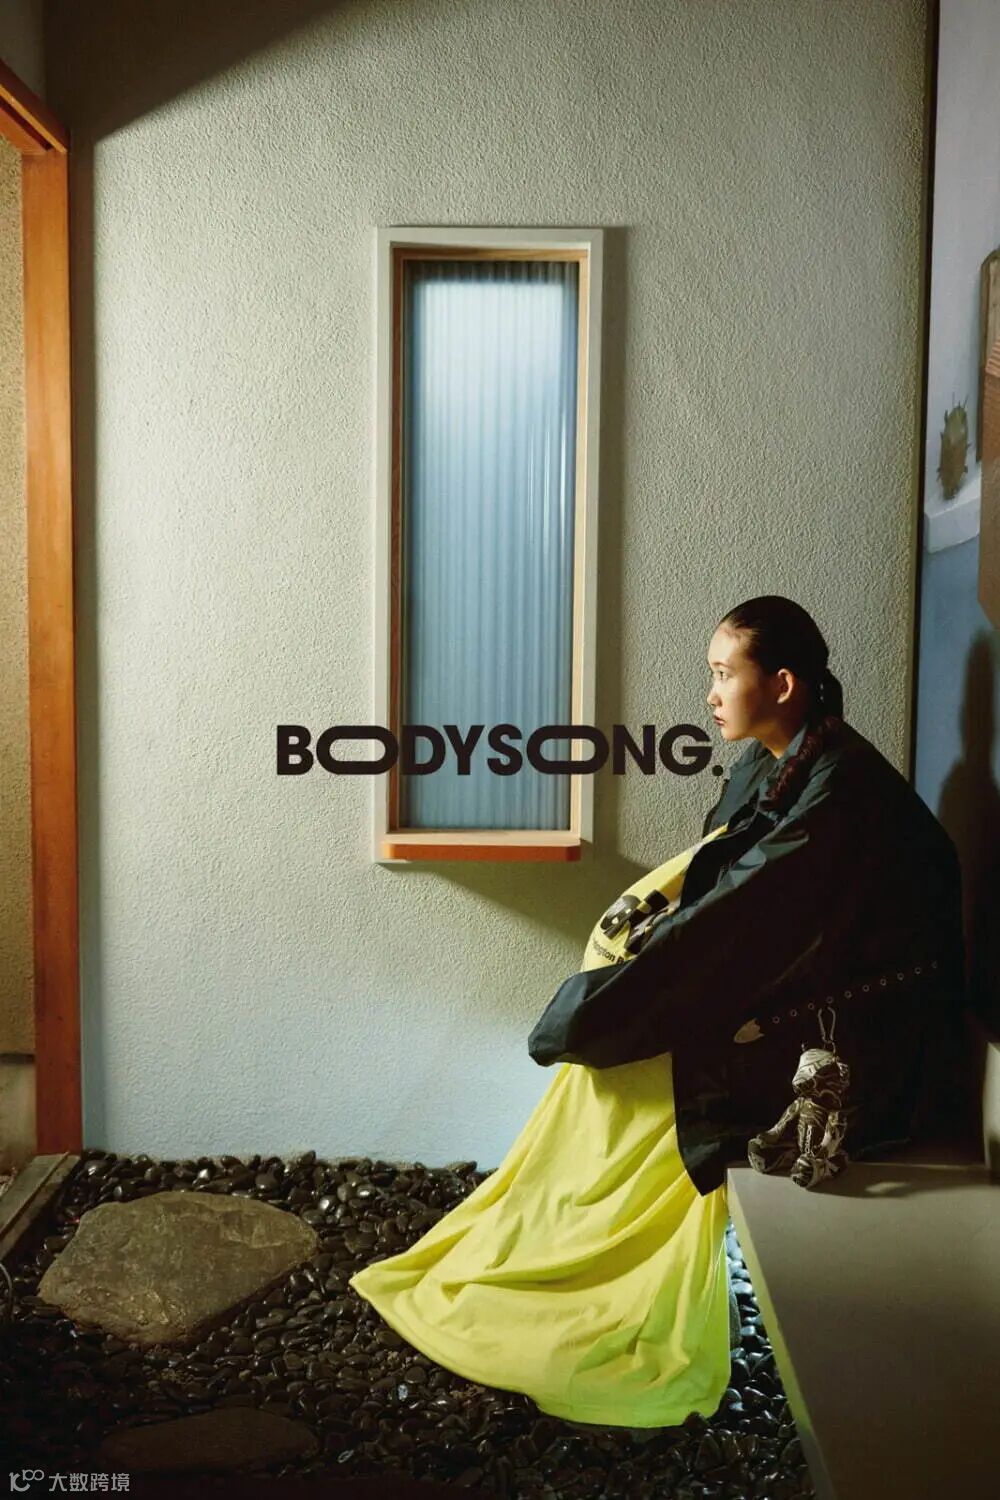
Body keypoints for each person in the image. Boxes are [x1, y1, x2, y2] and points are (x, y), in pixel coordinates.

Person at [349, 595, 966, 1432]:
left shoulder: (840, 791)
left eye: (723, 674)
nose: (710, 694)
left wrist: (593, 1014)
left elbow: (739, 918)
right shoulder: (786, 759)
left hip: (869, 1050)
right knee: (631, 1037)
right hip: (826, 1000)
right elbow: (724, 890)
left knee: (650, 1063)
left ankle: (573, 1257)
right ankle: (552, 1234)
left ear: (782, 684)